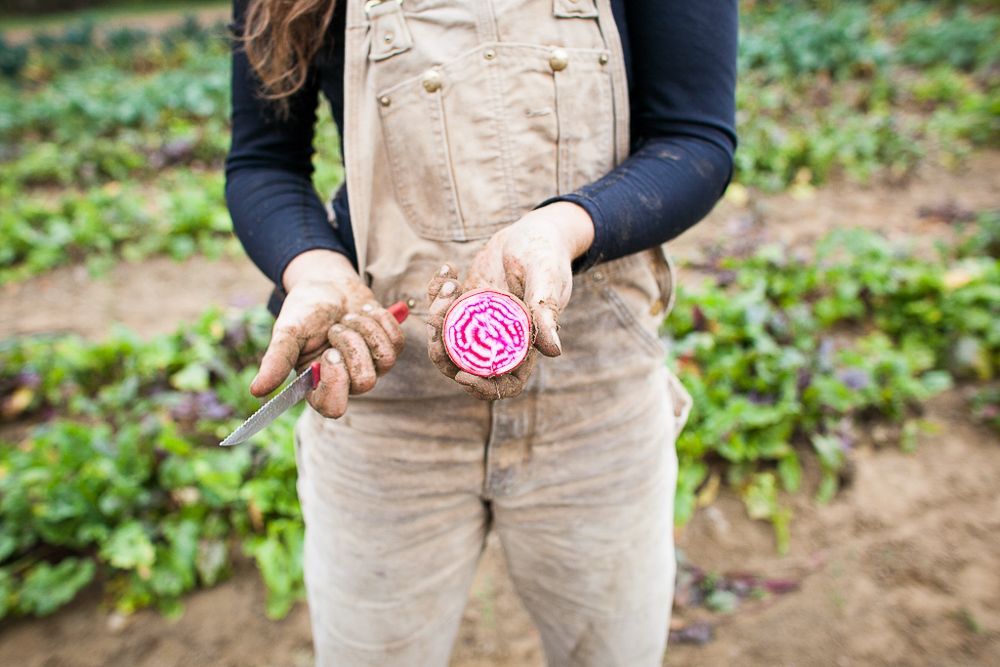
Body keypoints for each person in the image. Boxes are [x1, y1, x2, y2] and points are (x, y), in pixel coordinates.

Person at [226, 0, 737, 664]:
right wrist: (315, 269)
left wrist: (561, 228)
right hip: (381, 394)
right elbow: (266, 161)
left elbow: (694, 140)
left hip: (594, 394)